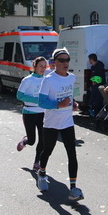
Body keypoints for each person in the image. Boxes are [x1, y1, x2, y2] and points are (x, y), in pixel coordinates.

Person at [37, 48, 84, 201]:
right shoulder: (48, 79)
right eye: (62, 60)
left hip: (67, 122)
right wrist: (58, 104)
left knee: (72, 153)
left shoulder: (71, 77)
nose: (65, 63)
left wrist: (73, 103)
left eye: (67, 60)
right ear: (55, 62)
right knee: (47, 150)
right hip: (51, 123)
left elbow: (69, 96)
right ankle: (42, 173)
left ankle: (73, 188)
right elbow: (41, 102)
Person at [16, 56, 47, 171]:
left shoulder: (47, 80)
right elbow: (19, 96)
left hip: (43, 113)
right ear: (35, 66)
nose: (43, 68)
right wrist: (36, 100)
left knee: (43, 140)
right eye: (40, 66)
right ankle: (25, 140)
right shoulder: (27, 80)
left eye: (44, 66)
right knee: (32, 140)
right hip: (29, 112)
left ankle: (37, 162)